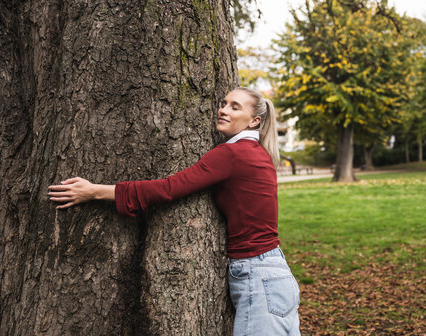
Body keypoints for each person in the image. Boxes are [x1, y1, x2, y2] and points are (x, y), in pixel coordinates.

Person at [47, 87, 301, 335]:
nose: (223, 110)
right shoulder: (256, 153)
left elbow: (168, 189)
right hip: (274, 275)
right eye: (224, 103)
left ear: (254, 121)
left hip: (259, 276)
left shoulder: (233, 154)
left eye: (235, 107)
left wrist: (94, 191)